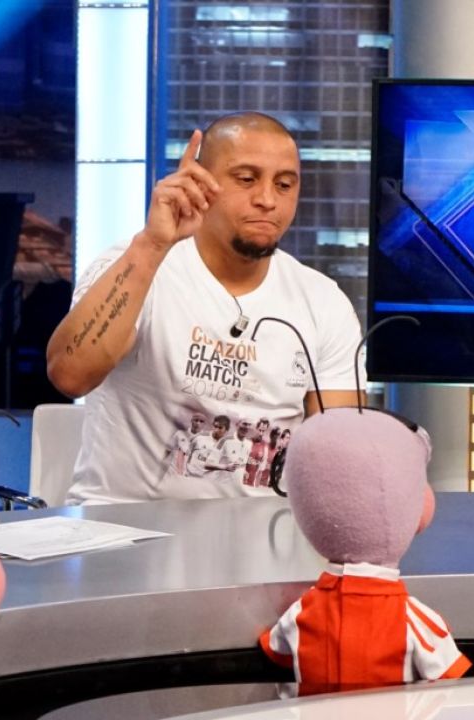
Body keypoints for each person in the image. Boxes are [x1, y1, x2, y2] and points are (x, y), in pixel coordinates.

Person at [47, 112, 364, 504]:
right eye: (246, 179)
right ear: (199, 182)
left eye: (284, 184)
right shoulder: (136, 265)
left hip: (263, 533)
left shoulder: (323, 301)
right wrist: (153, 244)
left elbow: (337, 460)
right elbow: (70, 375)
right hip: (127, 525)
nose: (267, 200)